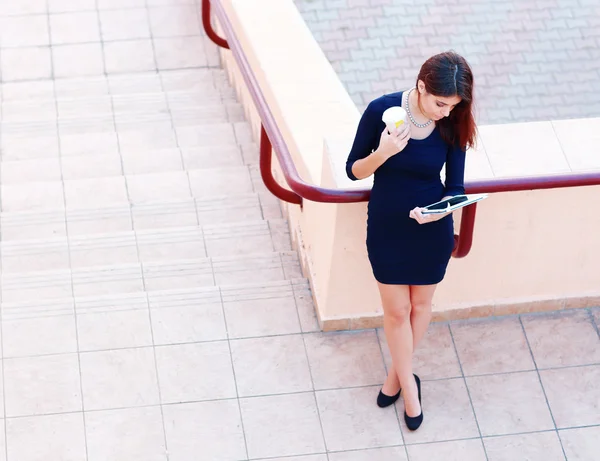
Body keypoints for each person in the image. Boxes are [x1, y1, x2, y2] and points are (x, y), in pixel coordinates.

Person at [345, 51, 476, 431]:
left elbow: (454, 186)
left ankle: (395, 379)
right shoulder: (381, 111)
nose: (445, 113)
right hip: (387, 226)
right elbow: (353, 170)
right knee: (396, 312)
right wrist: (384, 152)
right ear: (421, 86)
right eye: (440, 103)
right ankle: (410, 391)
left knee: (421, 306)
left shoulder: (453, 122)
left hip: (431, 228)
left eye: (453, 106)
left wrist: (440, 211)